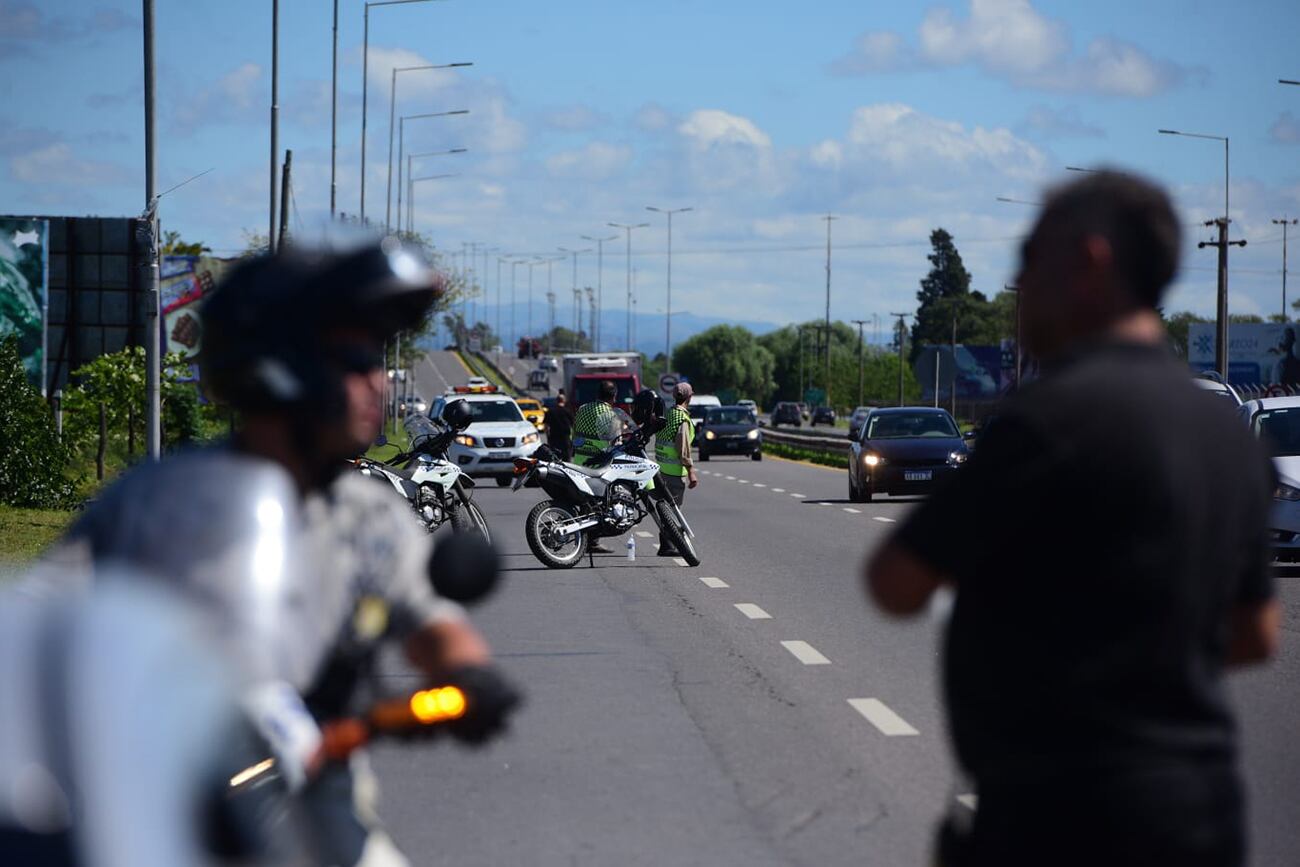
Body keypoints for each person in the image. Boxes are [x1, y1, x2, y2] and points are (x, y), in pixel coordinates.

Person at [37, 240, 518, 867]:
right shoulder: (150, 504)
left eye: (377, 357)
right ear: (276, 365)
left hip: (314, 782)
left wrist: (468, 676)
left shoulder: (367, 513)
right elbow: (42, 614)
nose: (377, 379)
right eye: (354, 357)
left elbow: (433, 625)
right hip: (154, 792)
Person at [865, 171, 1279, 867]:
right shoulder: (1229, 436)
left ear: (1089, 262)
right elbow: (1257, 632)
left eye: (1030, 257)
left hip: (1059, 812)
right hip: (1200, 813)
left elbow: (895, 580)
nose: (1018, 283)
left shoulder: (1046, 421)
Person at [653, 382, 698, 557]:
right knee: (673, 509)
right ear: (689, 397)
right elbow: (683, 448)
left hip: (660, 469)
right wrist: (691, 471)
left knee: (665, 508)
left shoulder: (668, 414)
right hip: (674, 472)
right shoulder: (682, 419)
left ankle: (666, 544)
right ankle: (668, 545)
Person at [544, 392, 573, 459]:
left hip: (554, 438)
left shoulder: (550, 411)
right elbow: (573, 425)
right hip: (565, 439)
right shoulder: (568, 411)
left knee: (554, 458)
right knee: (567, 459)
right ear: (564, 401)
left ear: (556, 400)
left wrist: (548, 437)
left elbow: (546, 426)